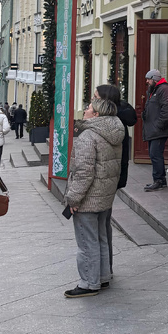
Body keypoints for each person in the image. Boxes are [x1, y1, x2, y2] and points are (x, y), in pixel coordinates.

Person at [63, 96, 124, 298]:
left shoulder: (88, 136)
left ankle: (89, 282)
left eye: (88, 108)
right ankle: (103, 276)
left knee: (87, 241)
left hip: (89, 198)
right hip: (105, 195)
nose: (85, 110)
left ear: (96, 114)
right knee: (101, 238)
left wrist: (73, 198)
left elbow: (83, 172)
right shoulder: (114, 132)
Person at [93, 84, 137, 274]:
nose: (91, 101)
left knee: (99, 229)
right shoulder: (116, 122)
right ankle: (104, 271)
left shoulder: (108, 125)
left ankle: (99, 273)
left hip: (102, 182)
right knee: (103, 227)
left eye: (95, 98)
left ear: (105, 101)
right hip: (109, 179)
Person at [142, 69, 168, 191]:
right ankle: (159, 180)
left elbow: (167, 110)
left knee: (155, 154)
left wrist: (159, 125)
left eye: (148, 79)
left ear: (154, 79)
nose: (147, 81)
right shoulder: (154, 90)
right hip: (153, 129)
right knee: (154, 154)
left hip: (158, 130)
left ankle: (159, 181)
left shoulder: (164, 90)